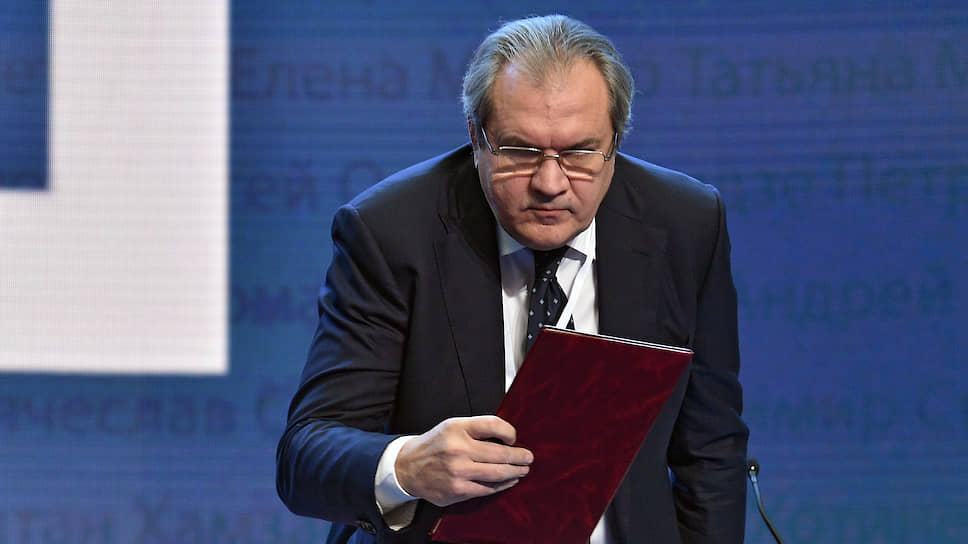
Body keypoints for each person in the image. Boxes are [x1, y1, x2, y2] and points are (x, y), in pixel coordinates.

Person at [277, 14, 749, 544]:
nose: (550, 183)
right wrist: (407, 466)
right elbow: (304, 458)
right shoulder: (390, 233)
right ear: (476, 136)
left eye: (579, 153)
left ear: (615, 142)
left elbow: (711, 448)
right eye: (521, 151)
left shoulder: (685, 224)